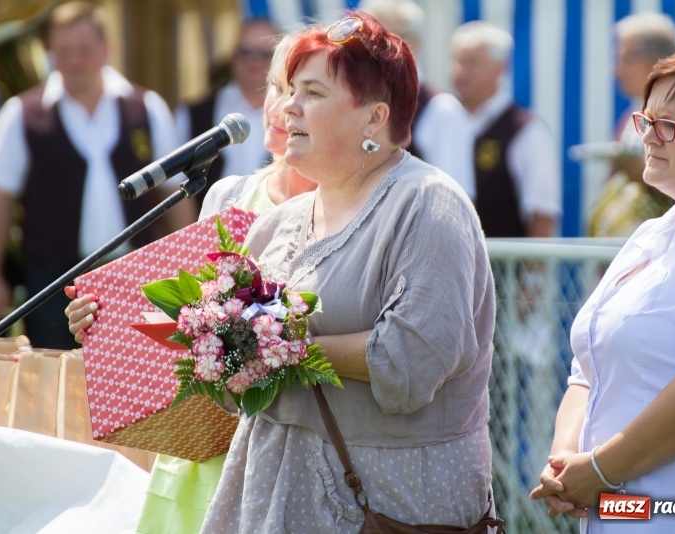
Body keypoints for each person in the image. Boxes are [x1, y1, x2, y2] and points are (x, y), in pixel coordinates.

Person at [194, 11, 496, 532]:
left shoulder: (427, 204)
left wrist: (274, 345)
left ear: (374, 119)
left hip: (388, 503)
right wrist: (219, 348)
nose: (288, 107)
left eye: (312, 92)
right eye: (289, 90)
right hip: (269, 495)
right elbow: (232, 390)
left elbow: (412, 362)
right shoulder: (275, 225)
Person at [65, 33, 316, 533]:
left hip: (283, 445)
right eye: (274, 87)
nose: (278, 105)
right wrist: (104, 319)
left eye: (302, 92)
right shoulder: (228, 193)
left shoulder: (336, 208)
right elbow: (187, 320)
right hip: (201, 443)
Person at [531, 42, 675, 533]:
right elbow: (586, 371)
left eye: (670, 125)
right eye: (646, 121)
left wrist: (595, 470)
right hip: (626, 513)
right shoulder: (652, 233)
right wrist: (564, 461)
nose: (650, 137)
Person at [0, 1, 194, 349]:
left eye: (83, 50)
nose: (74, 61)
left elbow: (174, 197)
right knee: (52, 387)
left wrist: (190, 271)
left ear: (106, 48)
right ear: (50, 53)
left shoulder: (147, 107)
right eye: (63, 51)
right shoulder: (20, 114)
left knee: (131, 390)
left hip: (135, 280)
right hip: (51, 284)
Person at [451, 20, 561, 238]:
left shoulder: (525, 130)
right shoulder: (442, 119)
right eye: (458, 61)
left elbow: (543, 214)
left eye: (472, 62)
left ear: (500, 68)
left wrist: (531, 272)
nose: (461, 71)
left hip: (503, 270)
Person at [358, 0, 475, 198]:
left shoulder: (442, 109)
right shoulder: (357, 101)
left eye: (381, 39)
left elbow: (453, 200)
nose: (370, 50)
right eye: (363, 40)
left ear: (412, 43)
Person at [587, 12, 675, 237]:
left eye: (624, 59)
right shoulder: (629, 117)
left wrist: (639, 170)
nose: (616, 71)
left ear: (654, 60)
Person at [173, 17, 281, 208]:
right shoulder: (194, 113)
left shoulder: (293, 114)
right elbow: (174, 185)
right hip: (209, 231)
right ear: (233, 56)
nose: (254, 61)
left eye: (265, 54)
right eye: (245, 52)